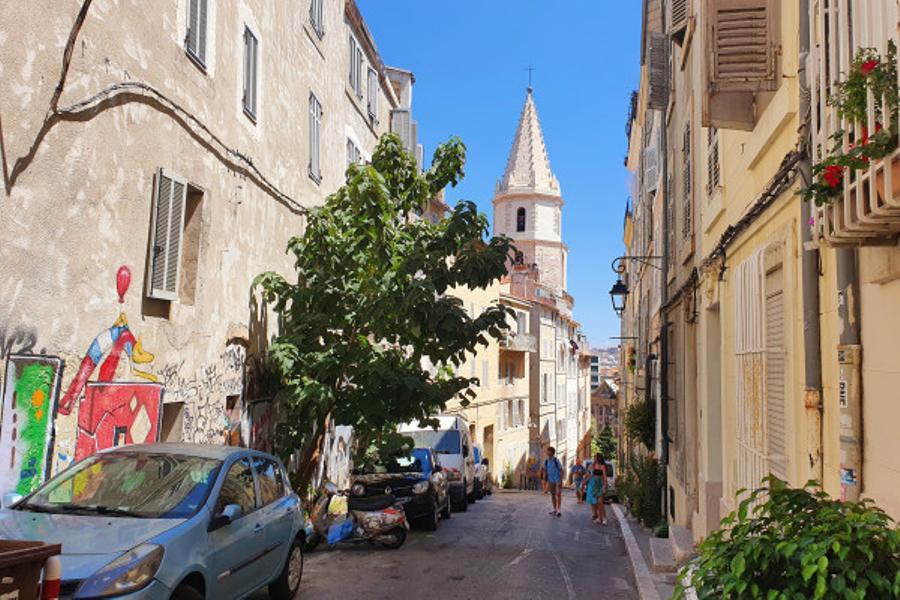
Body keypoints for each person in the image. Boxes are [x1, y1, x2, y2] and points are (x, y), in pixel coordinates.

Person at [583, 452, 608, 524]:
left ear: (599, 458)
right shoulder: (592, 466)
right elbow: (589, 475)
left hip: (600, 485)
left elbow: (604, 477)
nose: (594, 458)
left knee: (600, 502)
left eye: (595, 457)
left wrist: (605, 486)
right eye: (594, 457)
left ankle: (604, 518)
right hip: (592, 485)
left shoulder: (602, 466)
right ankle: (599, 517)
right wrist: (585, 481)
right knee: (595, 502)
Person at [541, 447, 564, 516]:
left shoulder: (556, 460)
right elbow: (545, 471)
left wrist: (560, 480)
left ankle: (559, 510)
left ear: (552, 452)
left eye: (548, 451)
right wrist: (544, 480)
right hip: (551, 481)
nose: (547, 452)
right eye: (547, 451)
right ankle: (555, 509)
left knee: (558, 494)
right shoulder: (546, 461)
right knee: (553, 495)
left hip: (557, 480)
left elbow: (561, 470)